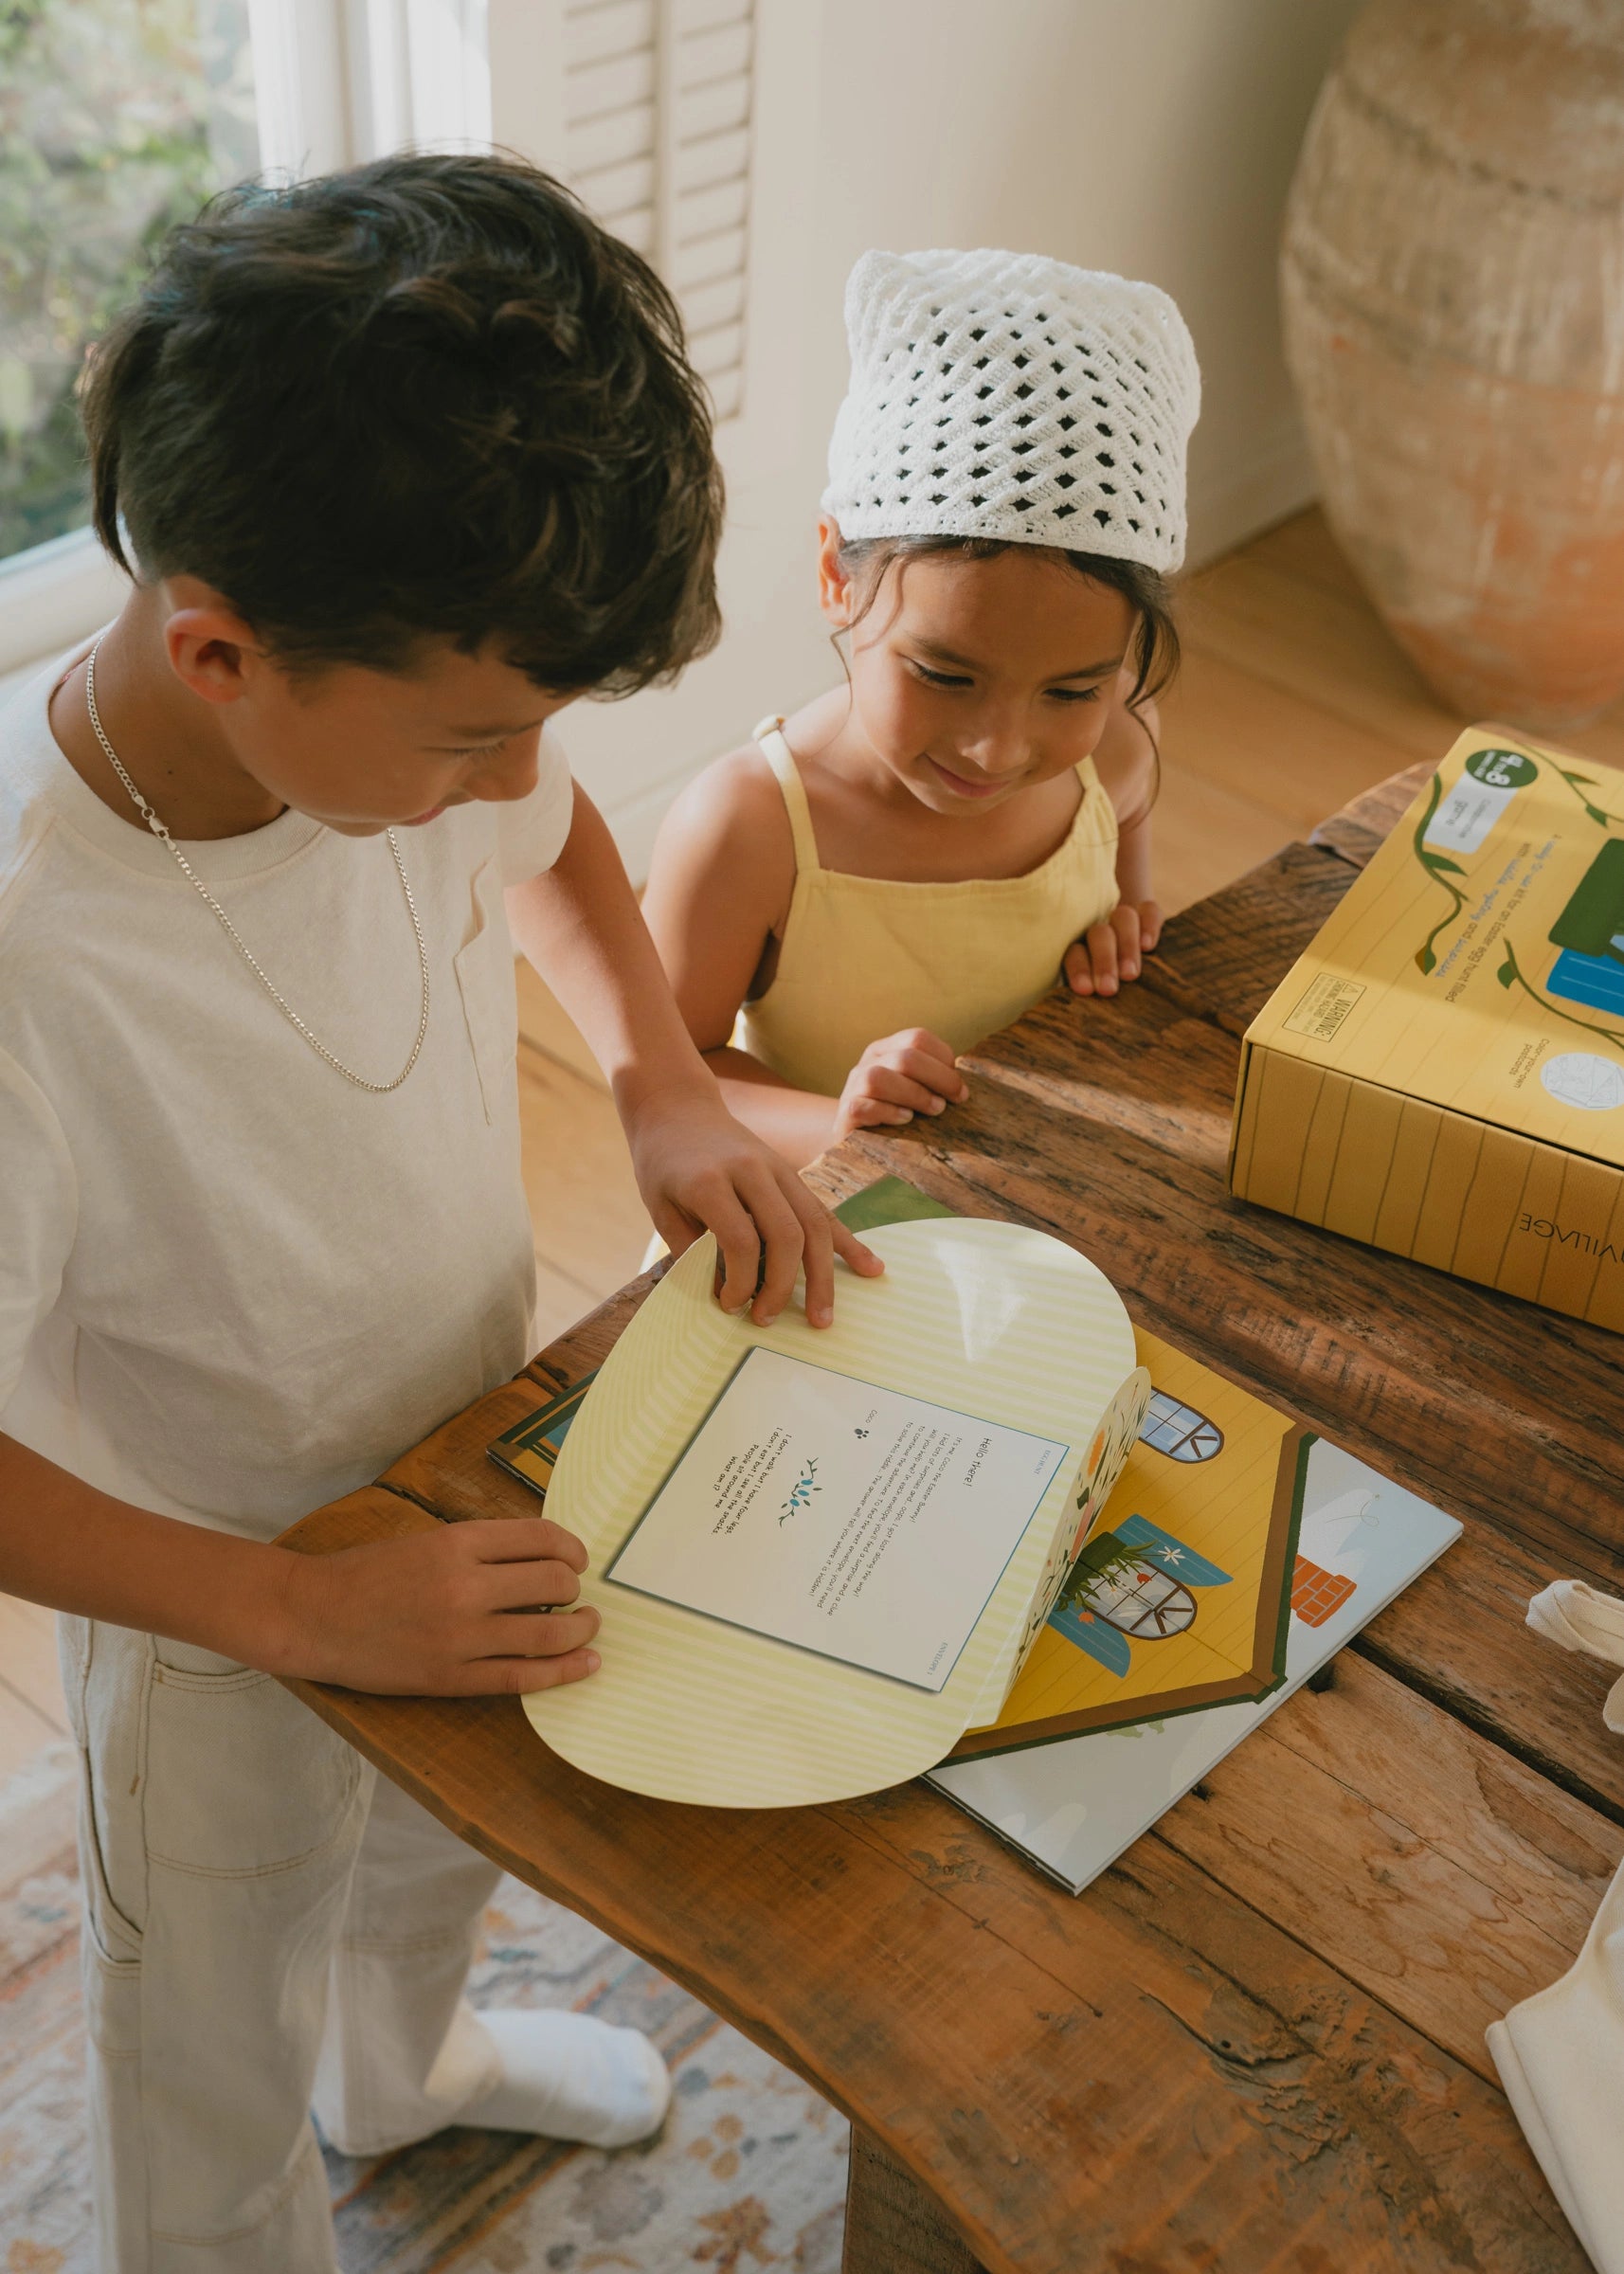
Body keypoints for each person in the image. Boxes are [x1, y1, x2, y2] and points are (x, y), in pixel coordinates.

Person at [0, 153, 879, 2271]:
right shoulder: (31, 949)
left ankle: (396, 2073)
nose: (517, 778)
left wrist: (661, 1085)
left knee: (429, 1858)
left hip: (463, 1468)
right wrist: (295, 1615)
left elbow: (553, 838)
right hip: (221, 1609)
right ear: (220, 652)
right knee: (205, 2030)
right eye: (482, 735)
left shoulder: (390, 726)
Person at [641, 246, 1200, 1169]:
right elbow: (672, 1078)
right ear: (836, 575)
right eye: (944, 675)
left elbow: (1128, 899)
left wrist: (1126, 927)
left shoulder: (1119, 751)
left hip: (1037, 1201)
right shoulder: (749, 829)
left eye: (1072, 691)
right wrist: (840, 1122)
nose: (995, 750)